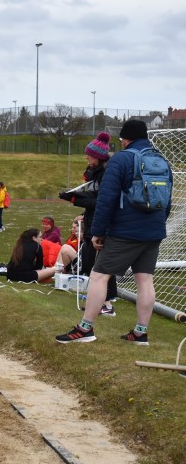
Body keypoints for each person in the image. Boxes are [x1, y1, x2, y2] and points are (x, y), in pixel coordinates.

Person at [56, 120, 172, 344]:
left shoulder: (120, 159)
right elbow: (166, 201)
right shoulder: (161, 160)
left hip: (125, 232)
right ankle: (140, 332)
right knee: (145, 280)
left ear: (125, 139)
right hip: (154, 231)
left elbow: (106, 199)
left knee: (99, 276)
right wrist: (157, 225)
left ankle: (85, 328)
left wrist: (98, 231)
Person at [57, 131, 118, 316]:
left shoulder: (106, 174)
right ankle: (105, 300)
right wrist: (80, 208)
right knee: (94, 263)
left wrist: (74, 199)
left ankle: (107, 303)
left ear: (98, 157)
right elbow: (90, 196)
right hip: (92, 221)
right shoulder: (93, 172)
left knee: (99, 264)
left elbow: (100, 201)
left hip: (102, 225)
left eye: (89, 155)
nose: (86, 157)